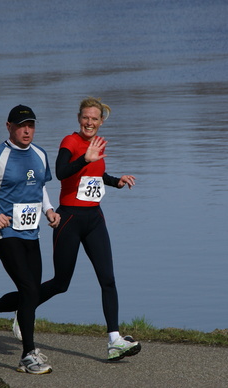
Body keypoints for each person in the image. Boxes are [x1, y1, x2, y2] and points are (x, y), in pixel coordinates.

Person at [37, 97, 141, 361]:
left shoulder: (97, 144)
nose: (90, 122)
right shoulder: (70, 142)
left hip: (94, 218)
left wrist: (116, 181)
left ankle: (114, 340)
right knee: (61, 283)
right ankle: (22, 309)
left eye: (95, 119)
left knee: (108, 278)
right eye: (86, 117)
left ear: (101, 121)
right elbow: (61, 172)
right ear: (78, 118)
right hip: (69, 219)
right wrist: (84, 157)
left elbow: (95, 175)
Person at [0, 104, 61, 375]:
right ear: (9, 127)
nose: (27, 130)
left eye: (30, 125)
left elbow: (39, 187)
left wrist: (49, 210)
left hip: (32, 233)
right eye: (21, 125)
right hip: (4, 233)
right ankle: (28, 355)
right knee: (30, 290)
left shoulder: (40, 154)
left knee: (32, 292)